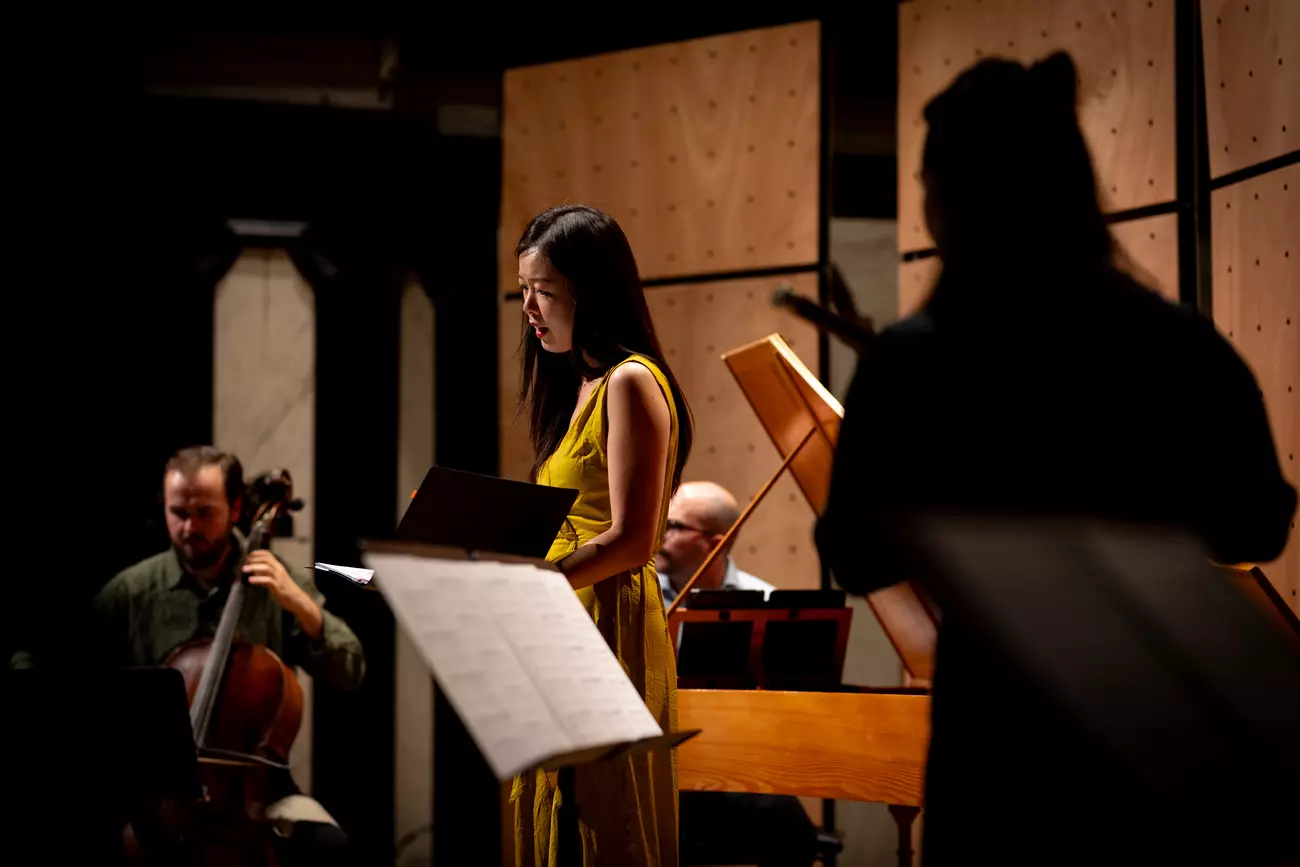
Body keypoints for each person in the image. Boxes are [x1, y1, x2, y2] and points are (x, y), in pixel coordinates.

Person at [815, 52, 1296, 867]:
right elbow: (1260, 520)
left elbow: (852, 549)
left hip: (1001, 745)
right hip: (1163, 734)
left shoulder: (915, 362)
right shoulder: (1175, 345)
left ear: (948, 199)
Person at [510, 204, 693, 867]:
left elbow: (632, 540)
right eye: (524, 290)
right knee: (556, 819)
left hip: (607, 617)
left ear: (592, 289)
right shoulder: (577, 387)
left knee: (604, 823)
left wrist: (533, 581)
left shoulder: (631, 380)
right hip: (566, 612)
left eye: (546, 291)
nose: (531, 308)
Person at [93, 445, 366, 866]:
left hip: (257, 789)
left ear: (236, 508)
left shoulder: (275, 580)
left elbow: (351, 669)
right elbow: (50, 655)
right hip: (158, 791)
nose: (188, 527)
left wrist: (304, 607)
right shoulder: (132, 591)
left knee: (330, 850)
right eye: (177, 513)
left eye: (204, 513)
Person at [656, 480, 776, 604]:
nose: (658, 536)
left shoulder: (765, 607)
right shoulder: (637, 596)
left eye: (674, 526)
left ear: (716, 545)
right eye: (660, 523)